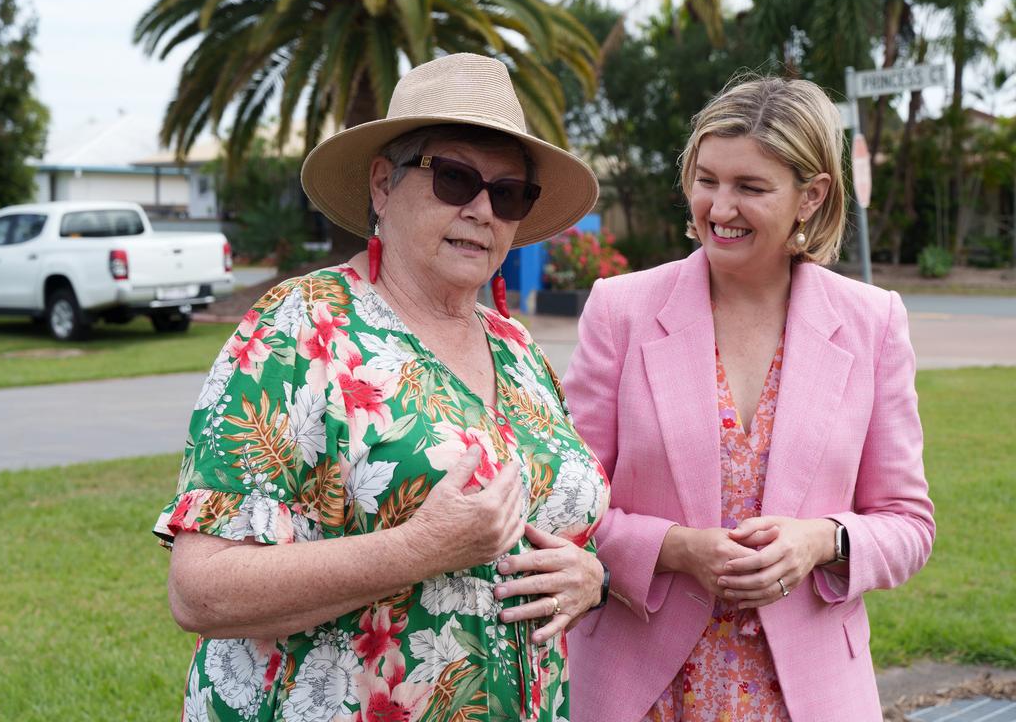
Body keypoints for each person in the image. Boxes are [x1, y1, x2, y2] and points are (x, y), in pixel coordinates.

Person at [153, 53, 610, 722]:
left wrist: (587, 580)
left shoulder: (517, 349)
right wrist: (418, 551)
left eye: (508, 193)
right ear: (381, 185)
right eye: (455, 179)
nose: (482, 210)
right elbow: (200, 592)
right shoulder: (303, 326)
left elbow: (560, 528)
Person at [563, 76, 934, 722]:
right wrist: (678, 550)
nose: (719, 206)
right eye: (707, 179)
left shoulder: (873, 323)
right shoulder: (619, 310)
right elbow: (563, 505)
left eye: (751, 187)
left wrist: (823, 540)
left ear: (811, 196)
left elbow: (910, 524)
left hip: (805, 699)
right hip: (640, 691)